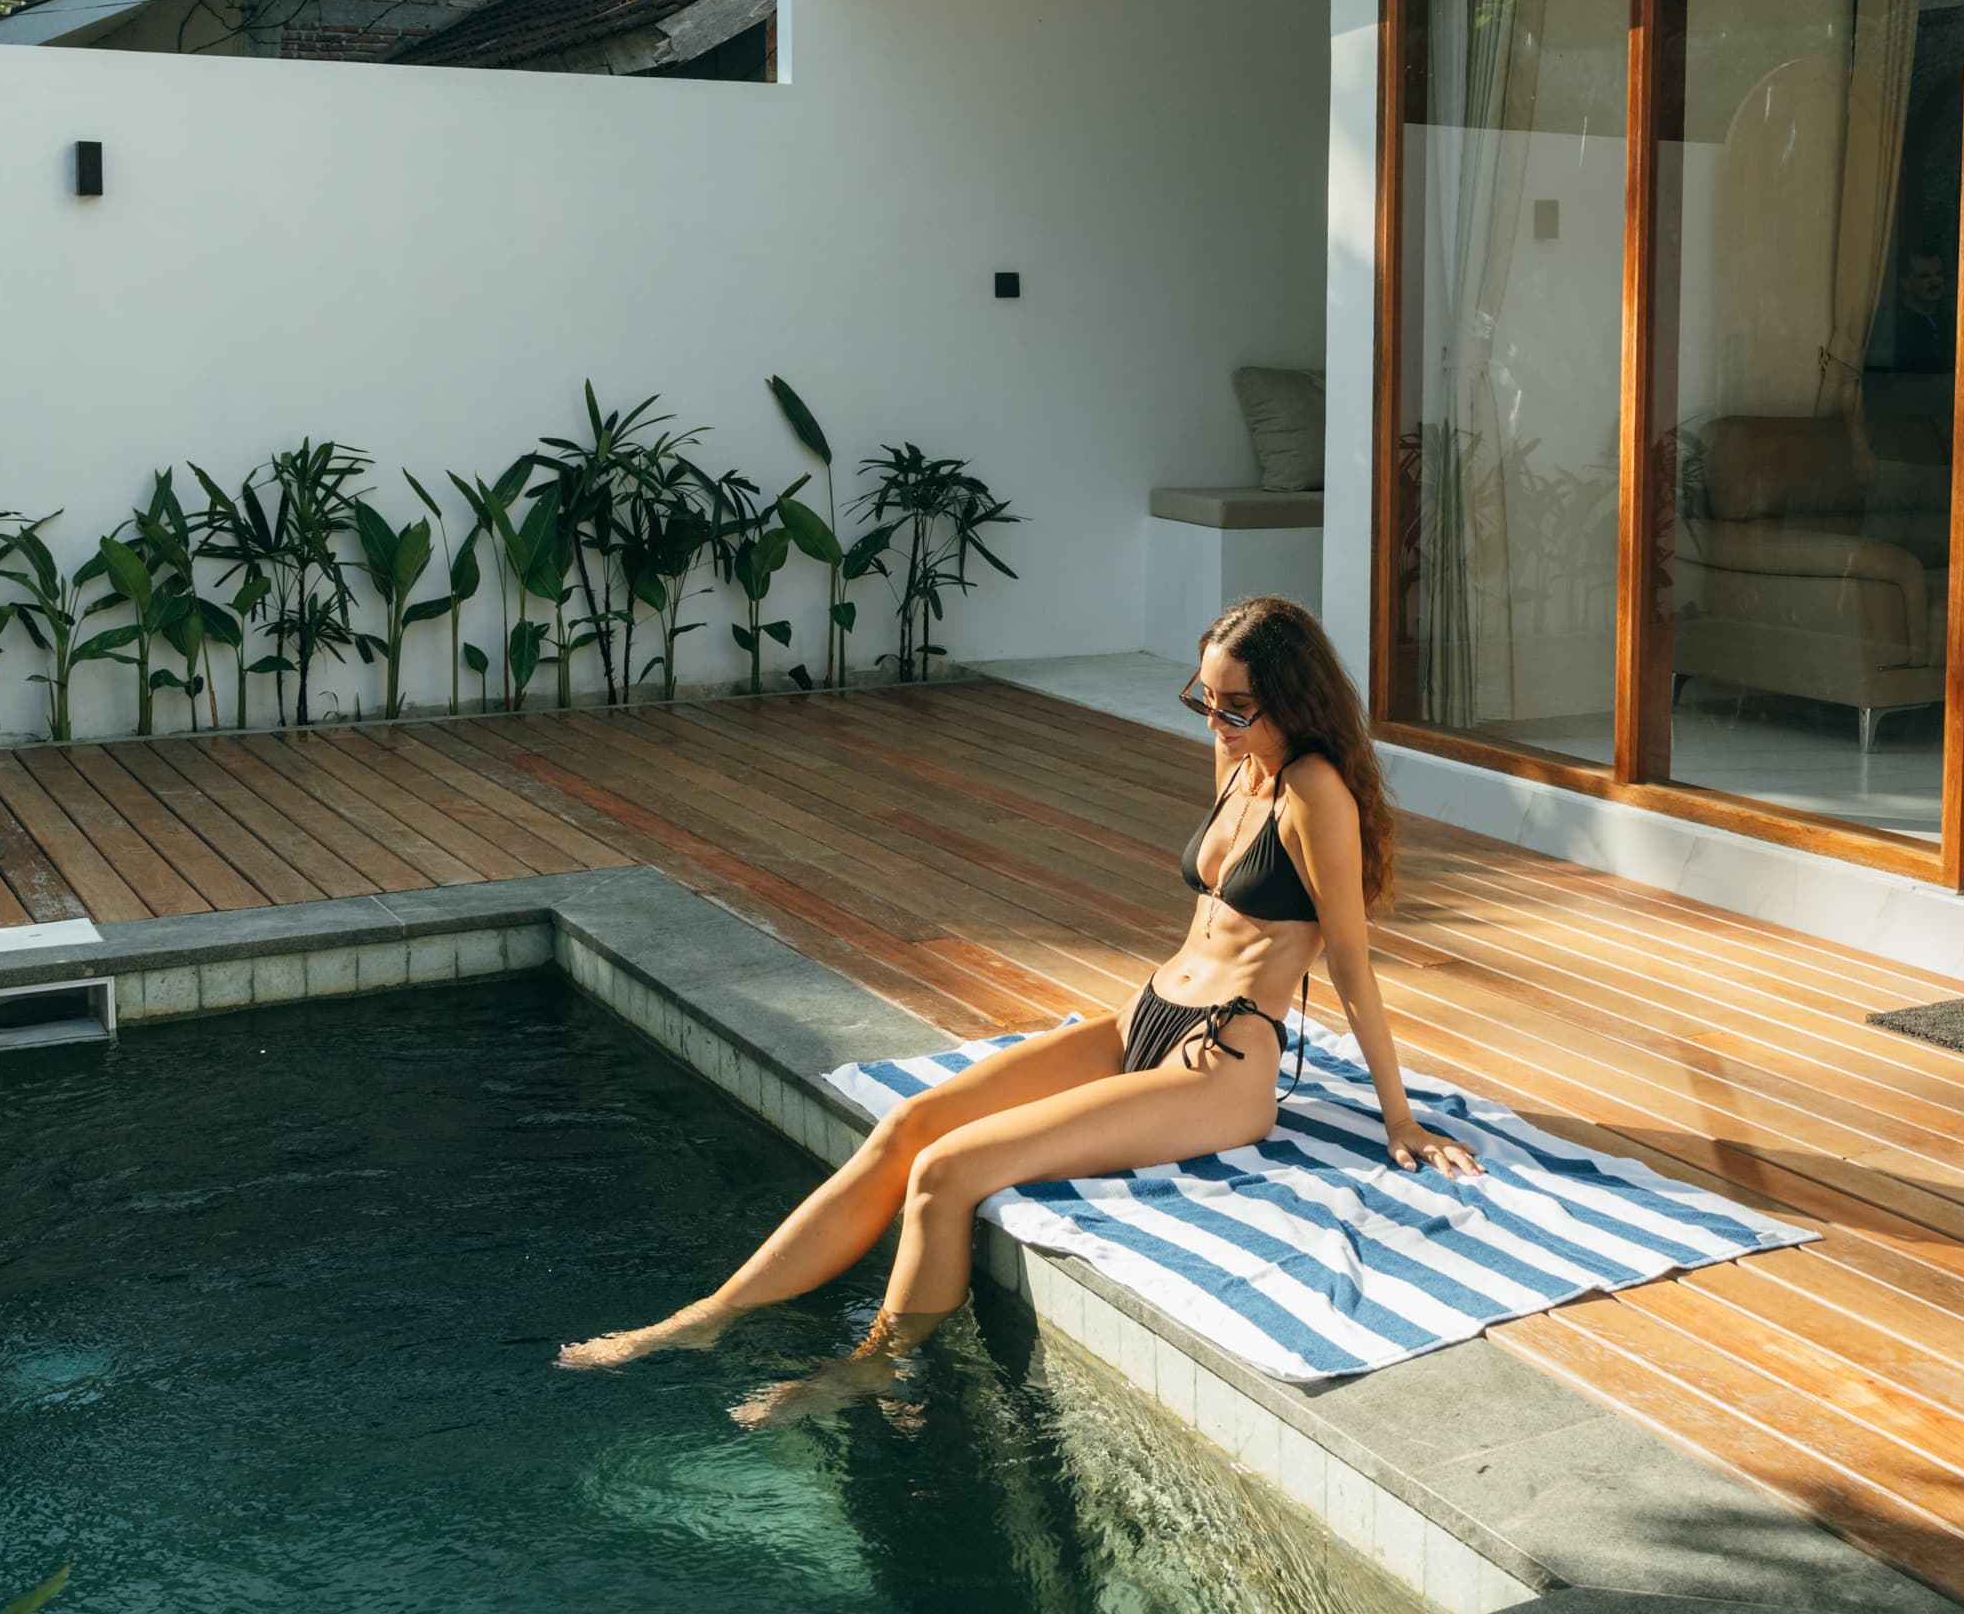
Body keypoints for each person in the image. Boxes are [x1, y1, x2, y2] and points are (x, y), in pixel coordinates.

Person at [556, 594, 1484, 1423]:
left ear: (1294, 699)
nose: (1216, 719)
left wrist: (1397, 1118)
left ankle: (875, 1366)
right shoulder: (1239, 761)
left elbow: (1355, 970)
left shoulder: (1316, 790)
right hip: (1148, 1017)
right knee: (911, 1123)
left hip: (1221, 1064)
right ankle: (711, 1315)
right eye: (1203, 699)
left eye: (1235, 704)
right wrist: (1228, 737)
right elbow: (1207, 915)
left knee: (949, 1172)